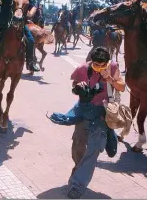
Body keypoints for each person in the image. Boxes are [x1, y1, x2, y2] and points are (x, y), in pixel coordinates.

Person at [49, 47, 124, 199]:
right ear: (91, 62)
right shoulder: (82, 69)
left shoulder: (113, 67)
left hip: (103, 114)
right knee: (78, 145)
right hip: (84, 111)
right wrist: (78, 88)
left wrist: (109, 78)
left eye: (103, 65)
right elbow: (73, 86)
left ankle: (77, 185)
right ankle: (78, 167)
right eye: (96, 65)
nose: (100, 68)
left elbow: (122, 87)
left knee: (94, 149)